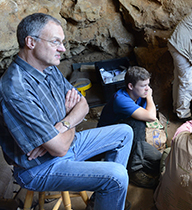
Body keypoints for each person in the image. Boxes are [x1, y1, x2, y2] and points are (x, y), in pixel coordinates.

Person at [0, 13, 133, 210]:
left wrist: (62, 125)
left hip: (65, 146)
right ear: (30, 42)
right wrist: (71, 119)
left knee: (125, 132)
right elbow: (60, 148)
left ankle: (102, 201)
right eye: (55, 42)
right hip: (40, 168)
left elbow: (83, 105)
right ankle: (109, 193)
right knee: (117, 176)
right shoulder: (16, 88)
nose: (62, 49)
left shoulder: (48, 67)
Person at [98, 66, 162, 189]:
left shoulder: (139, 95)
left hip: (132, 139)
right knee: (138, 122)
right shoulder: (121, 99)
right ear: (131, 86)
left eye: (148, 84)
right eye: (143, 85)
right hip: (111, 140)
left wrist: (146, 96)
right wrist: (150, 97)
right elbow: (151, 116)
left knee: (159, 161)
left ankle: (127, 162)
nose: (147, 89)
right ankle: (134, 171)